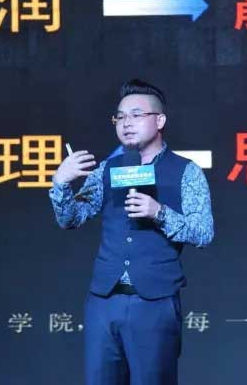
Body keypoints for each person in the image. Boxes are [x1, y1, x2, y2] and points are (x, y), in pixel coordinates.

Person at [48, 78, 215, 385]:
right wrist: (60, 183)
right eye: (120, 117)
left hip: (154, 302)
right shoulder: (107, 169)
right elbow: (71, 218)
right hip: (104, 300)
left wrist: (159, 213)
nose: (126, 123)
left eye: (136, 115)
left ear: (159, 121)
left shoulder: (185, 171)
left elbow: (203, 232)